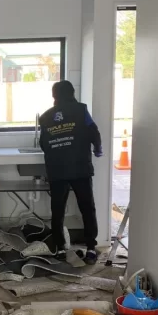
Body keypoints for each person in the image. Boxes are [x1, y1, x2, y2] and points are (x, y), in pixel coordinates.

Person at [39, 80, 102, 264]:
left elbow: (44, 144)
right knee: (87, 207)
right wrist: (98, 150)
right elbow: (94, 132)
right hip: (80, 167)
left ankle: (59, 248)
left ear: (54, 96)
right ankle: (91, 248)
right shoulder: (81, 110)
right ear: (72, 92)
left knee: (57, 209)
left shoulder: (45, 117)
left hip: (57, 169)